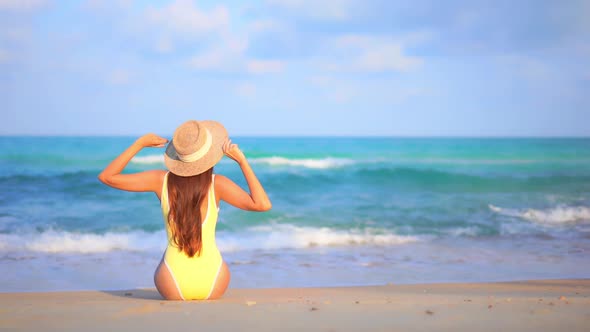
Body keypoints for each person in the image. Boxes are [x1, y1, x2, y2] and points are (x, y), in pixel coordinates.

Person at [98, 120, 271, 300]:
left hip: (172, 282)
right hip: (213, 282)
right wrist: (242, 161)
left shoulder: (160, 180)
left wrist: (139, 144)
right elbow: (262, 204)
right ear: (209, 154)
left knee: (168, 255)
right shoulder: (217, 183)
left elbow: (107, 177)